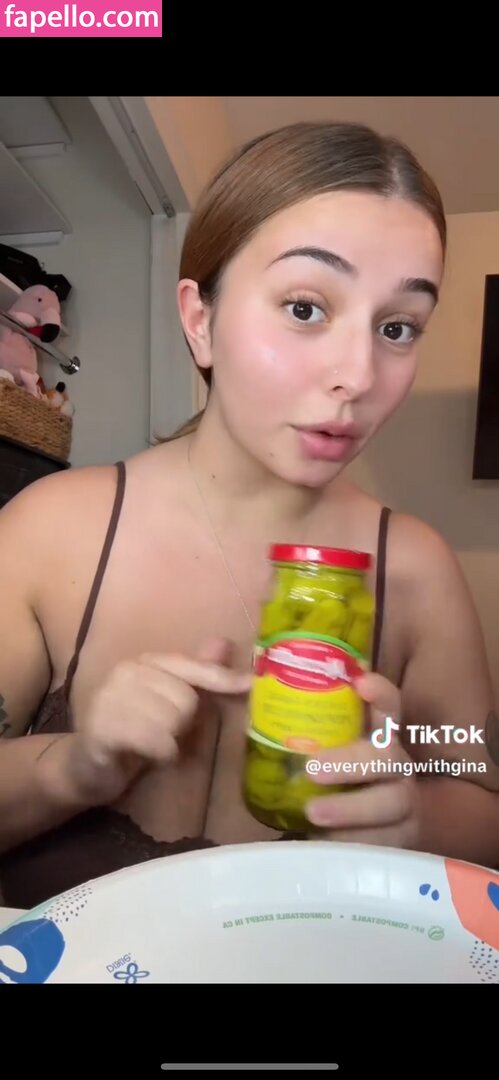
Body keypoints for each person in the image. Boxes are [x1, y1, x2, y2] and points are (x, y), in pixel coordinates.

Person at [1, 120, 498, 912]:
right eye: (304, 307)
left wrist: (412, 815)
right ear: (199, 320)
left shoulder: (418, 569)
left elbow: (471, 772)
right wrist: (74, 767)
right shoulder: (49, 531)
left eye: (396, 327)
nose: (357, 374)